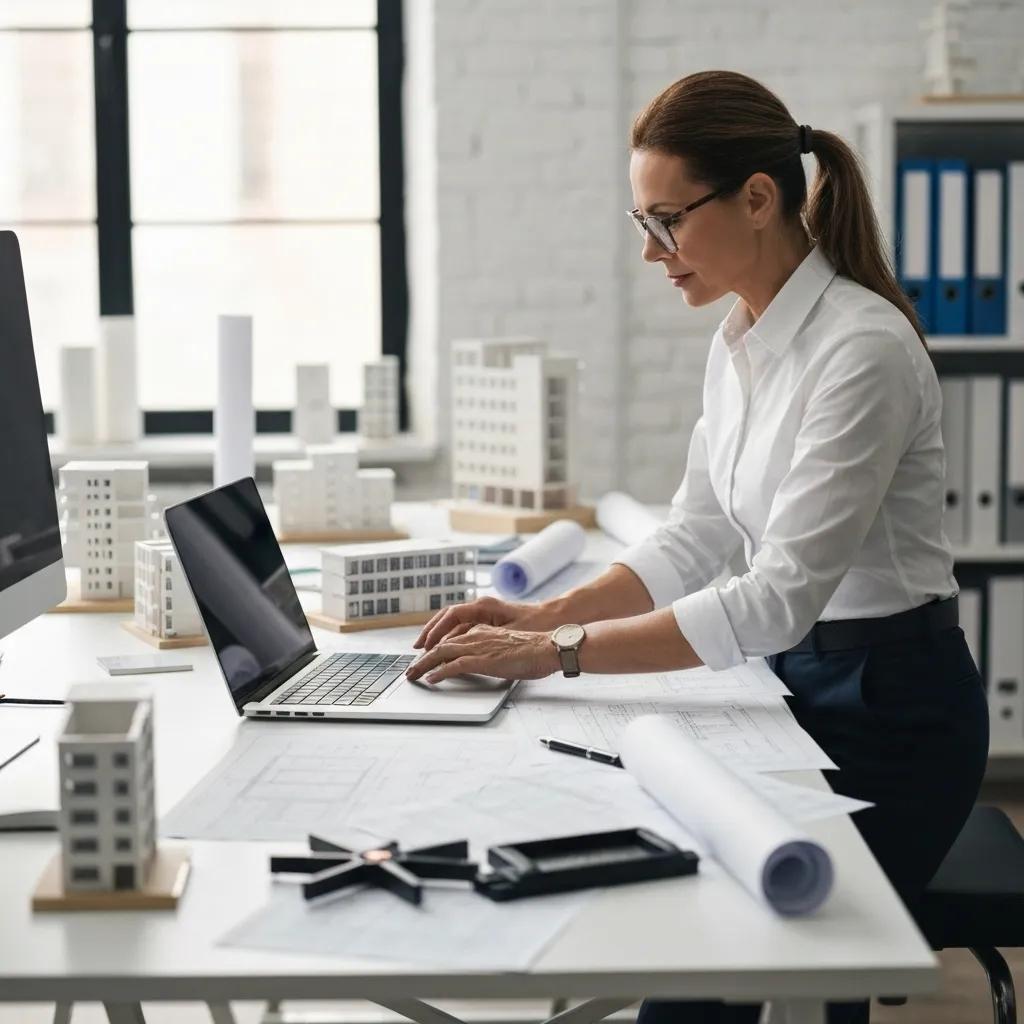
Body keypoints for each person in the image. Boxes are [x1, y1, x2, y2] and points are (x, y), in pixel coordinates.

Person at [405, 70, 989, 1023]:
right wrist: (538, 615)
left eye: (667, 220)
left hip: (894, 715)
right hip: (799, 679)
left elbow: (774, 596)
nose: (651, 252)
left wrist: (553, 656)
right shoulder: (740, 338)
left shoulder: (863, 350)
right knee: (692, 936)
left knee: (755, 961)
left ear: (758, 198)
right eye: (644, 223)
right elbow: (698, 531)